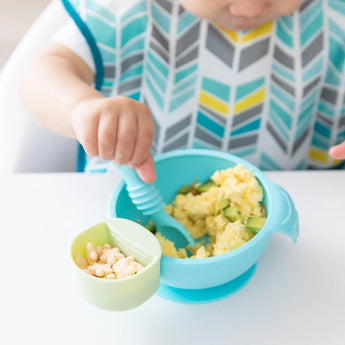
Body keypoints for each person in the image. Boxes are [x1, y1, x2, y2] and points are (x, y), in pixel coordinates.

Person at [20, 0, 345, 183]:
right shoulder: (127, 10)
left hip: (298, 220)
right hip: (131, 215)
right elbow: (41, 74)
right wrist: (82, 107)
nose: (250, 7)